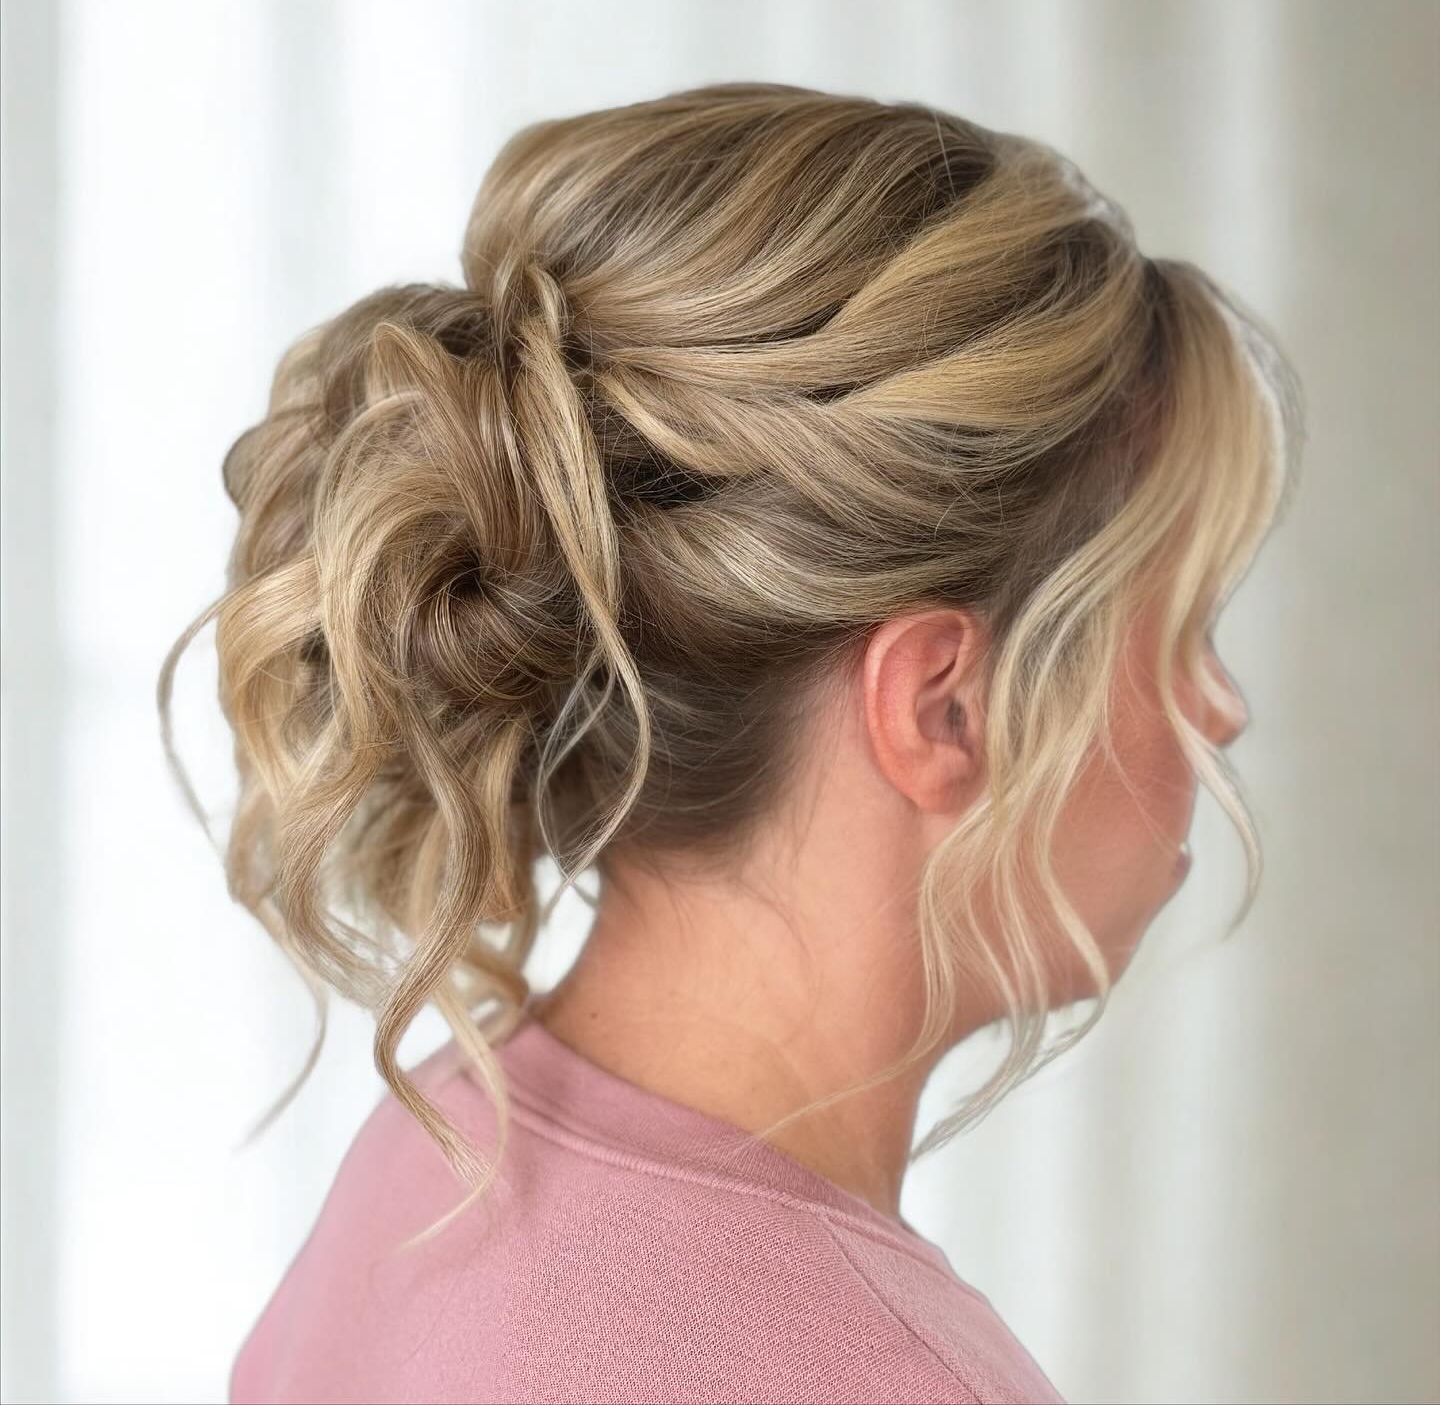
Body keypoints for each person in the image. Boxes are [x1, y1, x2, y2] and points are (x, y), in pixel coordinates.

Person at [158, 81, 1303, 1404]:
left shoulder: (440, 1152)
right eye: (1182, 629)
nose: (1221, 708)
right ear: (944, 707)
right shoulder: (889, 1380)